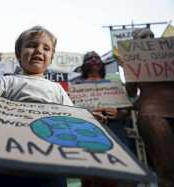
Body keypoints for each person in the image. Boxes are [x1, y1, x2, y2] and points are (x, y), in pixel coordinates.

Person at [0, 26, 73, 187]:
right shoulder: (6, 81)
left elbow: (72, 116)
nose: (38, 50)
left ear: (51, 58)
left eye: (46, 48)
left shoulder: (57, 88)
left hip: (50, 159)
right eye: (31, 45)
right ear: (18, 54)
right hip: (10, 158)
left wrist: (91, 118)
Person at [116, 28, 174, 187]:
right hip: (152, 114)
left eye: (151, 36)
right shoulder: (135, 63)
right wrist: (129, 69)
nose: (149, 38)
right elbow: (131, 92)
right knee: (167, 168)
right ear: (135, 43)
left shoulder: (169, 56)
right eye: (143, 37)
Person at [73, 51, 135, 187]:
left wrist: (119, 114)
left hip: (115, 129)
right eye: (89, 58)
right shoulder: (74, 85)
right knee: (91, 169)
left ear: (102, 64)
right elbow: (70, 110)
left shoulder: (114, 85)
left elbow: (126, 110)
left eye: (97, 58)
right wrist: (87, 113)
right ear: (84, 65)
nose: (94, 60)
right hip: (87, 129)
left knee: (120, 167)